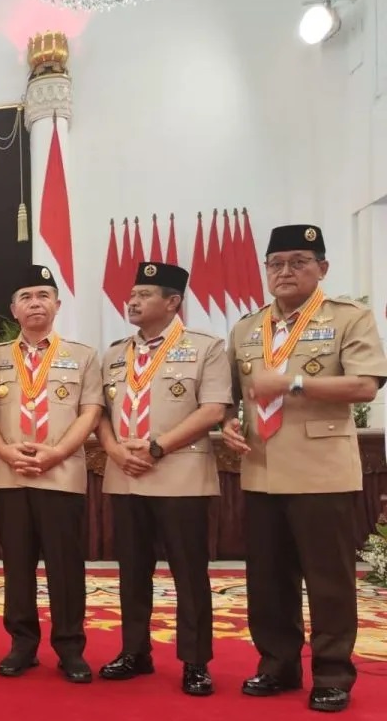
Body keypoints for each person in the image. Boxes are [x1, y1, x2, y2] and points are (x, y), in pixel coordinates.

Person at [222, 224, 387, 713]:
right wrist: (232, 424)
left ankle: (333, 673)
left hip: (321, 469)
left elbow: (364, 386)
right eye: (276, 263)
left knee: (328, 578)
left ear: (322, 268)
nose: (286, 272)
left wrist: (292, 384)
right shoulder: (247, 327)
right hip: (261, 467)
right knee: (267, 578)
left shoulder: (348, 319)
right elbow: (235, 397)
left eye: (299, 261)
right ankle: (278, 664)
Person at [96, 262, 229, 695]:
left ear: (172, 302)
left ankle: (194, 661)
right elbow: (99, 413)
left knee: (189, 572)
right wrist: (115, 451)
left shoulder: (205, 348)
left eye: (145, 294)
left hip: (180, 475)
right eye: (131, 294)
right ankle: (134, 651)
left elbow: (212, 409)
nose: (132, 301)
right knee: (132, 570)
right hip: (126, 475)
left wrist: (157, 447)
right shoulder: (115, 353)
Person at [0, 265, 102, 684]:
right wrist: (4, 451)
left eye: (43, 295)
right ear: (14, 309)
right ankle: (22, 645)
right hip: (9, 474)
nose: (36, 303)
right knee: (16, 564)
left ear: (57, 304)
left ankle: (70, 647)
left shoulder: (82, 356)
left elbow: (91, 412)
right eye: (27, 296)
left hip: (61, 474)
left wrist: (58, 453)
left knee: (66, 567)